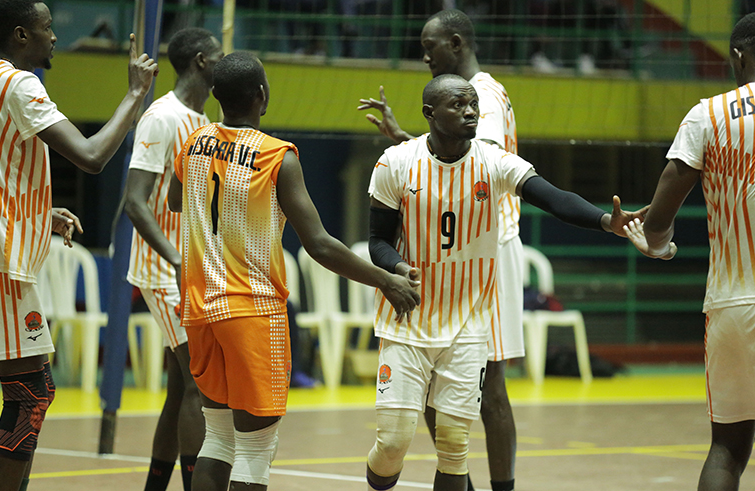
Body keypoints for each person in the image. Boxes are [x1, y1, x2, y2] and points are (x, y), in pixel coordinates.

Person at [365, 73, 645, 491]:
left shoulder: (493, 161)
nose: (470, 110)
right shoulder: (396, 162)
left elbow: (552, 197)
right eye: (458, 104)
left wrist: (606, 221)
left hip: (468, 324)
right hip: (408, 318)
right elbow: (377, 240)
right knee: (392, 445)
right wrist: (396, 268)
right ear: (429, 114)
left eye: (472, 103)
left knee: (454, 447)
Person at [166, 51, 420, 491]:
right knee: (255, 448)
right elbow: (319, 244)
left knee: (219, 439)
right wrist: (387, 280)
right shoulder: (276, 157)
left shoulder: (191, 143)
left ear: (216, 95)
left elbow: (173, 201)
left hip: (198, 306)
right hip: (250, 310)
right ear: (262, 96)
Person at [623, 11, 755, 491]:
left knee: (727, 449)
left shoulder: (707, 113)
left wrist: (658, 242)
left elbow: (669, 190)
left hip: (734, 303)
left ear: (736, 57)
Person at [0, 1, 157, 490]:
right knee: (31, 394)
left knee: (25, 390)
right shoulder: (21, 83)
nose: (54, 37)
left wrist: (37, 212)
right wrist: (134, 95)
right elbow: (92, 156)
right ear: (20, 35)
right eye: (47, 28)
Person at [359, 9, 521, 491]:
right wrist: (406, 140)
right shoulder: (482, 89)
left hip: (482, 246)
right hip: (465, 246)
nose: (423, 54)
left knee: (485, 385)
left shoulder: (482, 95)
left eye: (430, 45)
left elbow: (470, 164)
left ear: (455, 42)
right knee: (455, 383)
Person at [122, 27, 222, 491]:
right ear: (202, 61)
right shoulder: (161, 118)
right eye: (219, 57)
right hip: (164, 270)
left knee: (180, 387)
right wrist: (176, 261)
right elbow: (135, 201)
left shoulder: (204, 123)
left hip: (191, 269)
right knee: (201, 385)